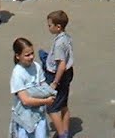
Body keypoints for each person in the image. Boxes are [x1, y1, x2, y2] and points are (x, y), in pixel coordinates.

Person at [10, 37, 56, 138]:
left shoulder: (36, 66)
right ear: (18, 56)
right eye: (27, 55)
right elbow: (25, 100)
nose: (31, 57)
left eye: (32, 53)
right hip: (24, 117)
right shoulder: (17, 73)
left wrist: (51, 90)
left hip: (39, 115)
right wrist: (46, 101)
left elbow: (43, 83)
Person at [43, 10, 75, 138]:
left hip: (58, 76)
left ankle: (62, 134)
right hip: (68, 73)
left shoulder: (59, 44)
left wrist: (55, 82)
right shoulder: (66, 37)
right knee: (63, 105)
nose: (48, 27)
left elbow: (61, 64)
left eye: (50, 25)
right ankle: (65, 131)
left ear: (58, 27)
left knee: (51, 108)